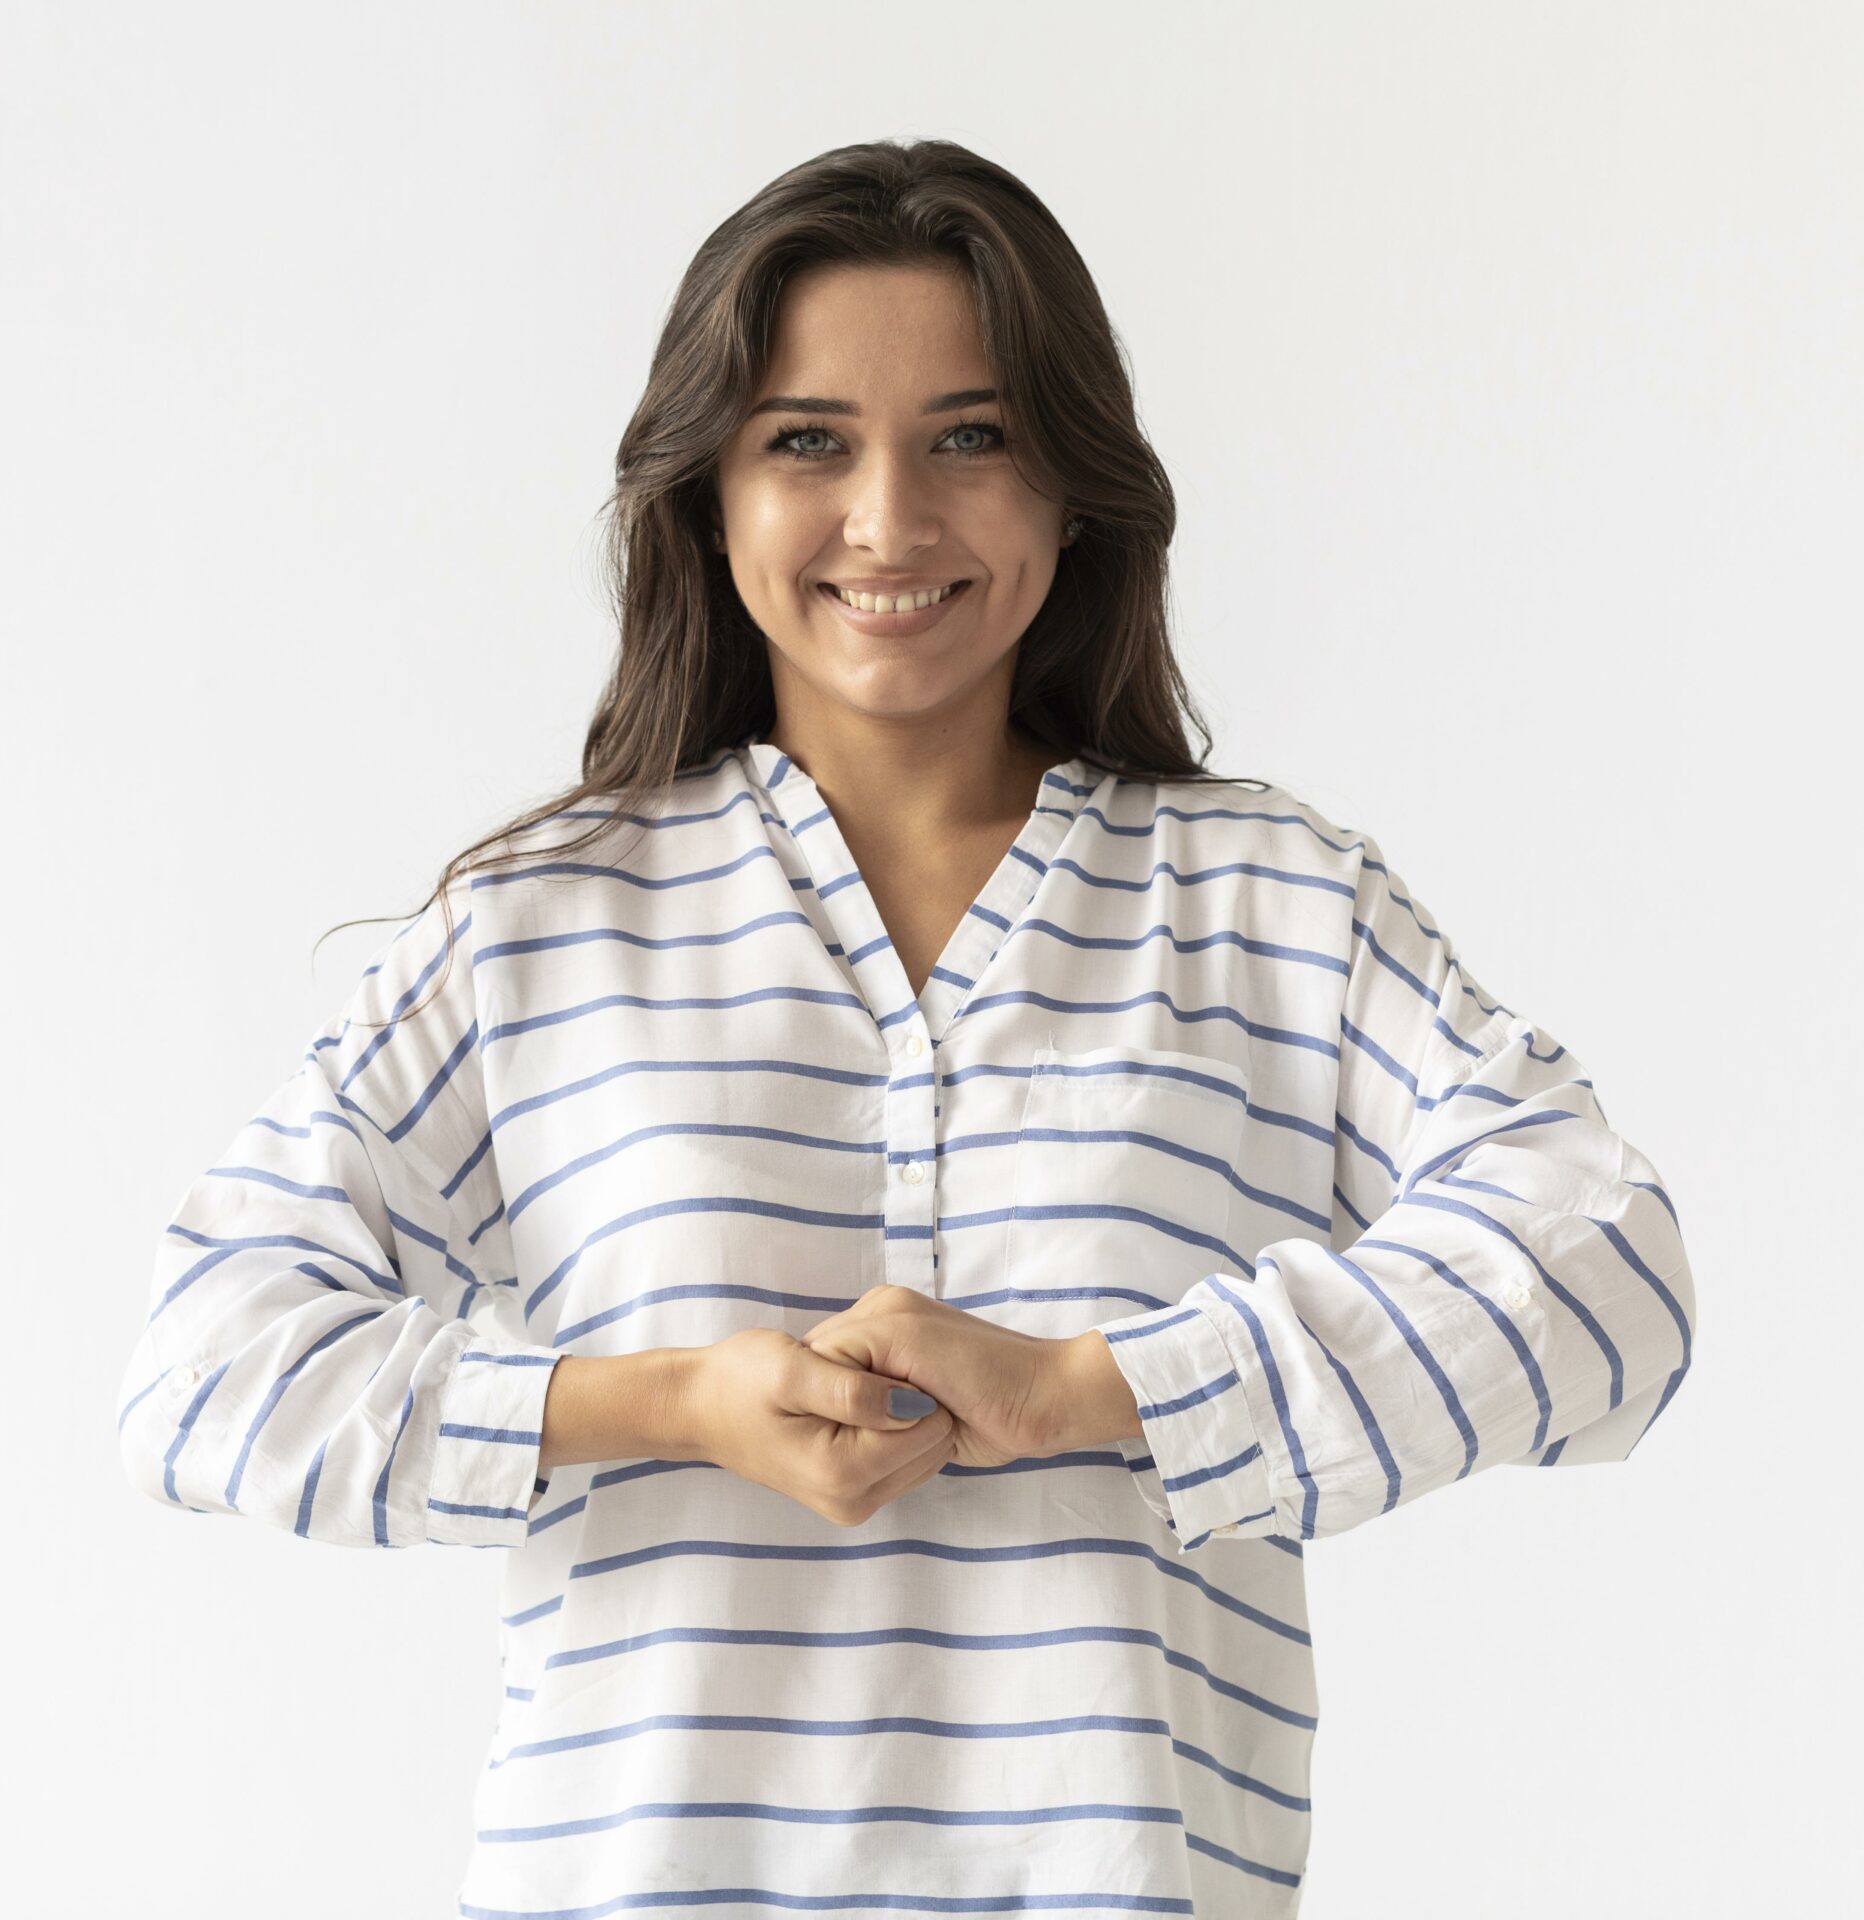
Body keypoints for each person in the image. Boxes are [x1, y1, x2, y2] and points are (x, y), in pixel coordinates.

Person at [114, 138, 1697, 1916]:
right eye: (809, 441)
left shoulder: (1269, 904)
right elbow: (204, 1365)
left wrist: (1090, 1392)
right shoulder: (543, 928)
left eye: (971, 436)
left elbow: (1608, 1268)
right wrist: (676, 1404)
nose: (890, 519)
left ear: (1071, 488)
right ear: (708, 494)